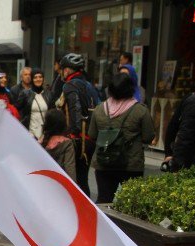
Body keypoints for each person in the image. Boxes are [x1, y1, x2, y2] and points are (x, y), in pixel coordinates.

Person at [88, 73, 154, 203]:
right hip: (131, 165)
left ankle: (103, 223)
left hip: (104, 163)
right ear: (131, 89)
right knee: (132, 203)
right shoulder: (140, 110)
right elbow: (148, 137)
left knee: (104, 199)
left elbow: (92, 135)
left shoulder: (99, 109)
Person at [59, 52, 100, 197]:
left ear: (68, 69)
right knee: (83, 180)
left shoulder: (70, 85)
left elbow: (75, 110)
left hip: (78, 140)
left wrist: (73, 134)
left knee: (72, 181)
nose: (61, 72)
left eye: (63, 69)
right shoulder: (90, 86)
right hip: (91, 139)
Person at [40, 109, 76, 180]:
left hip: (44, 180)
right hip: (59, 182)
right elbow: (70, 169)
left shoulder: (42, 141)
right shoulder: (67, 143)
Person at [19, 68, 54, 139]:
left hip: (45, 134)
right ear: (32, 79)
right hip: (29, 134)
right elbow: (18, 111)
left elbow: (52, 114)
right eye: (35, 77)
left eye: (40, 77)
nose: (38, 79)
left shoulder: (49, 94)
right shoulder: (25, 94)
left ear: (43, 79)